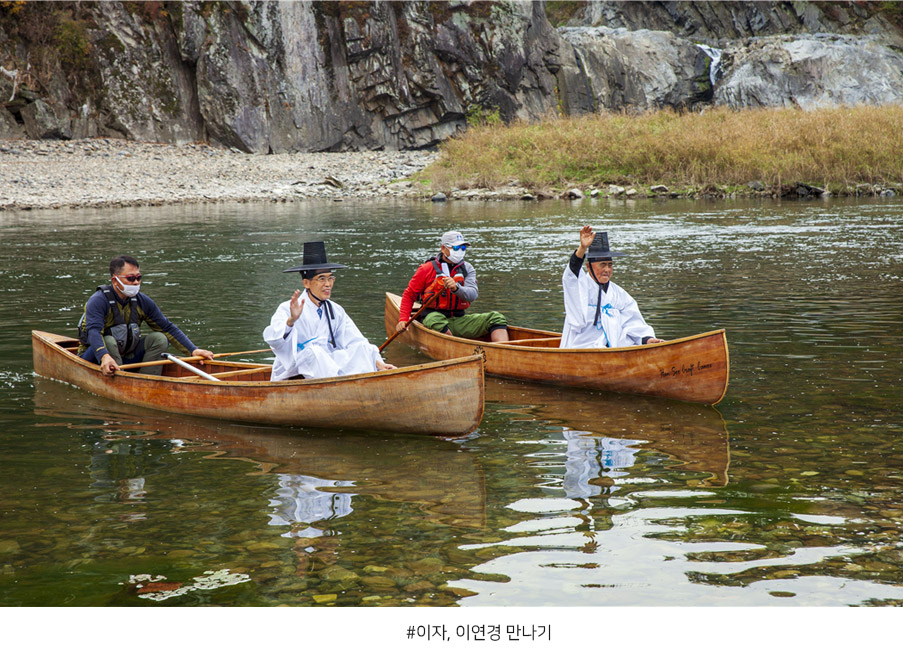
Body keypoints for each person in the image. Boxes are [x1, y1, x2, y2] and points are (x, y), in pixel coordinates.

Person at [263, 241, 395, 381]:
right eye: (321, 279)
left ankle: (363, 384)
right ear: (306, 283)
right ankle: (339, 388)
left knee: (362, 347)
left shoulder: (335, 310)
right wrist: (291, 321)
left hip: (326, 367)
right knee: (314, 353)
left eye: (330, 278)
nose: (328, 284)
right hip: (294, 369)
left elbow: (354, 340)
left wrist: (378, 362)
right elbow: (275, 341)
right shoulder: (286, 308)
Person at [77, 255, 215, 376]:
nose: (136, 282)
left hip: (127, 355)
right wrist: (104, 356)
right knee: (108, 341)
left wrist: (193, 350)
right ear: (115, 281)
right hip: (96, 356)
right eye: (131, 278)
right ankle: (119, 379)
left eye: (138, 277)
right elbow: (93, 332)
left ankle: (147, 380)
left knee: (159, 339)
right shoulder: (98, 300)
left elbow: (167, 328)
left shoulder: (142, 301)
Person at [560, 226, 665, 349]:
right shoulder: (580, 286)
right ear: (589, 267)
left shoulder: (619, 294)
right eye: (602, 265)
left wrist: (646, 339)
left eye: (610, 265)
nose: (607, 270)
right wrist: (582, 248)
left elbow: (632, 321)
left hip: (612, 348)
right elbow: (571, 275)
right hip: (581, 347)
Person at [395, 230, 509, 342]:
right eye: (455, 248)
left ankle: (504, 349)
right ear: (443, 248)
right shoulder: (426, 269)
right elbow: (409, 295)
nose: (459, 251)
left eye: (463, 248)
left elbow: (472, 295)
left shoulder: (467, 268)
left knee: (496, 318)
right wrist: (403, 319)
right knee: (435, 320)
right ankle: (456, 347)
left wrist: (456, 288)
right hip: (432, 317)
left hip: (459, 319)